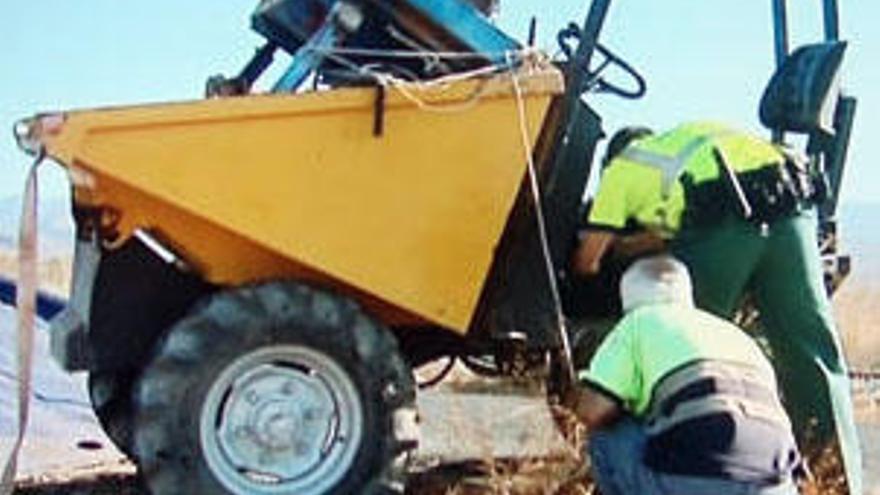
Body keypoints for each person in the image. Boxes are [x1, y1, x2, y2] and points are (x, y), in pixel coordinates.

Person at [572, 121, 862, 493]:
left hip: (722, 216)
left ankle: (679, 471)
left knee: (680, 352)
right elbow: (664, 234)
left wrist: (582, 269)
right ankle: (835, 482)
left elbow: (589, 259)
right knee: (813, 354)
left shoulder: (621, 170)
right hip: (790, 203)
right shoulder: (683, 147)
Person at [569, 255, 802, 495]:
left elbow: (593, 411)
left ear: (627, 302)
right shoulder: (738, 336)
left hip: (695, 482)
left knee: (607, 434)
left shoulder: (638, 321)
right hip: (776, 484)